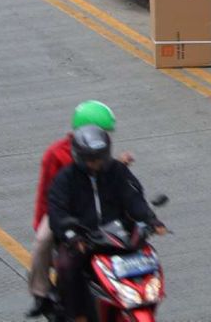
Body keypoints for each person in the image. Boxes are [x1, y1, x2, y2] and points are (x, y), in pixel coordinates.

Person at [48, 126, 165, 322]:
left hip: (118, 237)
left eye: (100, 157)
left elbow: (134, 198)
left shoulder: (117, 171)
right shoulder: (65, 179)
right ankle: (73, 315)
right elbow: (57, 212)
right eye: (91, 159)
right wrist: (71, 235)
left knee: (147, 259)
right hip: (85, 239)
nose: (96, 163)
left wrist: (150, 219)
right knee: (67, 266)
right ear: (79, 157)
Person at [27, 101, 128, 319]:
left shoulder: (99, 148)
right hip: (64, 211)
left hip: (94, 207)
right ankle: (41, 293)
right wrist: (46, 224)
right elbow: (47, 193)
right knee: (41, 244)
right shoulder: (55, 154)